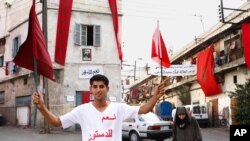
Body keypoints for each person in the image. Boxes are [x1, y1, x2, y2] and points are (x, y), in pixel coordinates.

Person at [32, 74, 165, 141]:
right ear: (90, 89)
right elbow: (56, 122)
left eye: (101, 86)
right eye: (95, 87)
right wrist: (42, 107)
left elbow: (143, 109)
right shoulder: (82, 110)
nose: (98, 90)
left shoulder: (119, 108)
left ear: (107, 88)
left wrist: (155, 97)